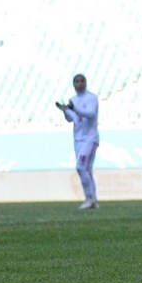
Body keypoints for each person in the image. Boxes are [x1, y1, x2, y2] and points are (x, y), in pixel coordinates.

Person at [55, 74, 100, 209]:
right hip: (78, 139)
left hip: (90, 138)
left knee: (80, 167)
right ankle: (94, 200)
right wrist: (65, 111)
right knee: (87, 169)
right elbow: (72, 118)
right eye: (76, 81)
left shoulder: (91, 98)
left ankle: (89, 198)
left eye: (82, 81)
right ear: (73, 84)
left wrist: (75, 108)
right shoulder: (73, 100)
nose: (79, 83)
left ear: (85, 83)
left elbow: (91, 114)